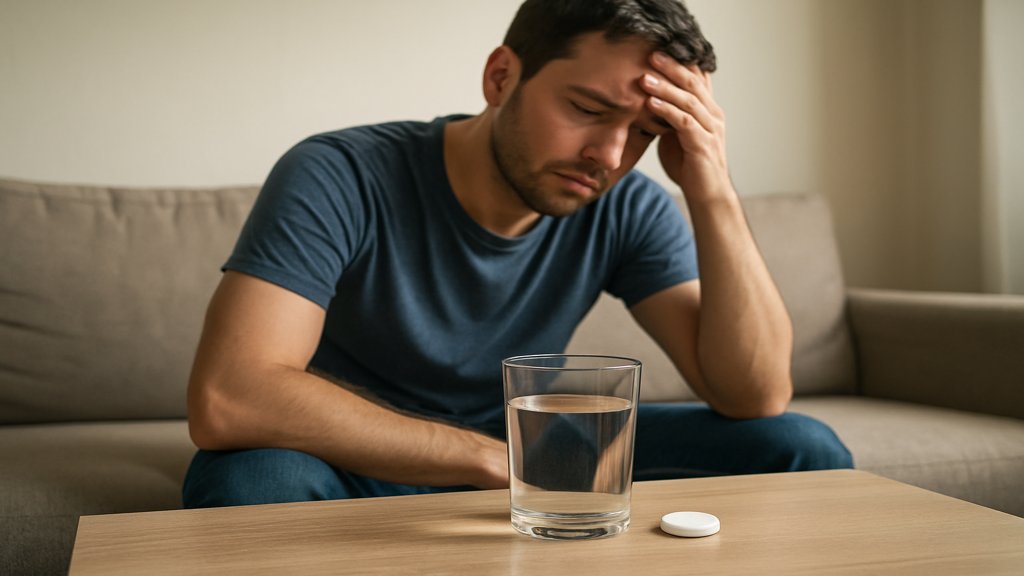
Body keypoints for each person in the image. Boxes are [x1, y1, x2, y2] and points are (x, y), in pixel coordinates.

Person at [183, 0, 852, 508]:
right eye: (588, 108)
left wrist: (711, 189)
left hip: (525, 447)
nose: (612, 156)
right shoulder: (340, 173)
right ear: (502, 76)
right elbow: (232, 395)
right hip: (349, 450)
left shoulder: (627, 205)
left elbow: (755, 394)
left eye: (645, 131)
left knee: (799, 446)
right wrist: (484, 456)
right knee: (252, 480)